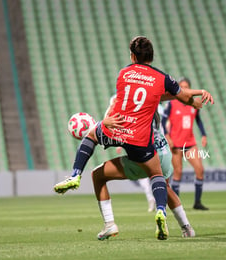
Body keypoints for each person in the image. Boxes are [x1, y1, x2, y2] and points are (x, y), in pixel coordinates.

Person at [54, 36, 214, 240]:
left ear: (132, 56)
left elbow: (128, 101)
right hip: (148, 144)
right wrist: (197, 97)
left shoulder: (124, 73)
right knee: (159, 180)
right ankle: (174, 220)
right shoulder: (160, 79)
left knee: (94, 138)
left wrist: (105, 121)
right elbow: (179, 94)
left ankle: (77, 175)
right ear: (152, 55)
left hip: (118, 128)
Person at [93, 110, 195, 240]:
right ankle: (186, 227)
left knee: (97, 175)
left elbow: (108, 137)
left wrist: (97, 130)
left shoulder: (124, 111)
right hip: (162, 149)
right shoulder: (149, 102)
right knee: (165, 187)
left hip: (143, 156)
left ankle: (109, 224)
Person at [162, 77, 209, 210]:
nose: (184, 89)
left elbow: (198, 120)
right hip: (175, 144)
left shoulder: (193, 103)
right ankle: (176, 205)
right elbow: (163, 120)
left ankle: (197, 202)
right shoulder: (172, 103)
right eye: (181, 87)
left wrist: (203, 135)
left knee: (200, 170)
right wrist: (167, 136)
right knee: (178, 173)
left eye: (186, 87)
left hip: (190, 143)